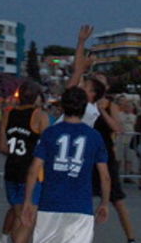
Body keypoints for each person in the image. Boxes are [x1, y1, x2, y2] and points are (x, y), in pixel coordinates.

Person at [65, 26, 135, 243]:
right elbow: (77, 72)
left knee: (116, 199)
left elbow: (118, 128)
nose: (89, 82)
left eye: (95, 81)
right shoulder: (81, 103)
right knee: (80, 199)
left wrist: (104, 109)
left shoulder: (100, 107)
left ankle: (131, 238)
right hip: (83, 156)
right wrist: (81, 43)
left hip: (103, 156)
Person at [20, 87, 109, 243]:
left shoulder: (50, 133)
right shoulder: (94, 136)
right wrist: (104, 202)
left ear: (62, 106)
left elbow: (34, 170)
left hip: (50, 203)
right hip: (80, 206)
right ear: (84, 108)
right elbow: (105, 176)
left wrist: (28, 200)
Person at [0, 81, 48, 243]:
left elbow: (1, 145)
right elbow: (48, 146)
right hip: (30, 172)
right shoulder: (39, 115)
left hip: (11, 169)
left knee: (19, 215)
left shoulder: (8, 113)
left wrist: (16, 152)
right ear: (36, 97)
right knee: (26, 219)